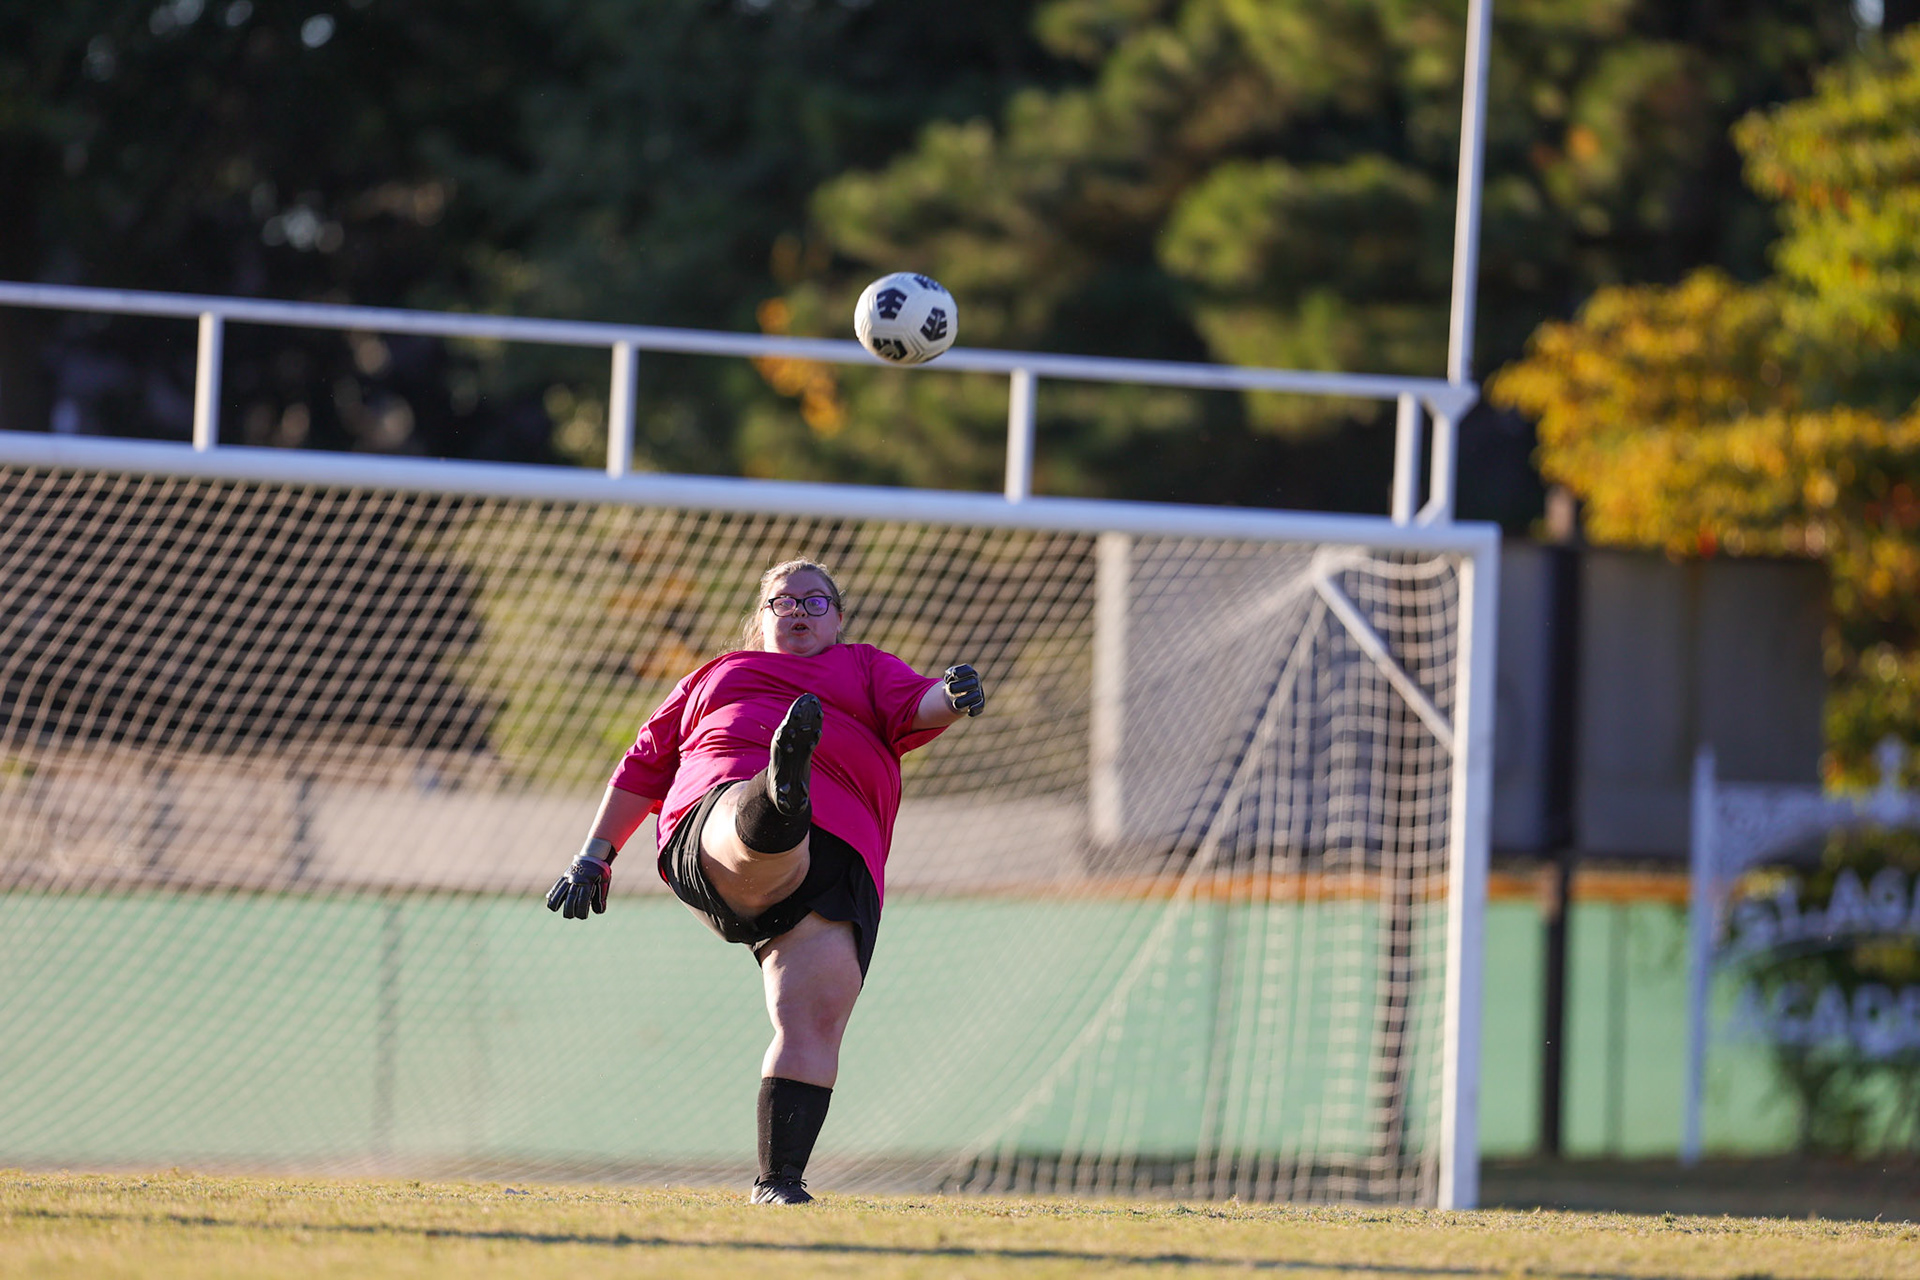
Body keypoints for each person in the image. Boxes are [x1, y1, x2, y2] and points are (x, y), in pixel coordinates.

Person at [545, 557, 985, 1205]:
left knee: (816, 1016)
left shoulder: (864, 667)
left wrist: (953, 694)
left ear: (838, 618)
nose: (799, 610)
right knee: (749, 831)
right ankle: (776, 796)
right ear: (761, 618)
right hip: (714, 823)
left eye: (814, 601)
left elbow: (920, 706)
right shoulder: (719, 673)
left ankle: (779, 1183)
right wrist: (593, 857)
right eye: (784, 601)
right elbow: (644, 763)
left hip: (840, 861)